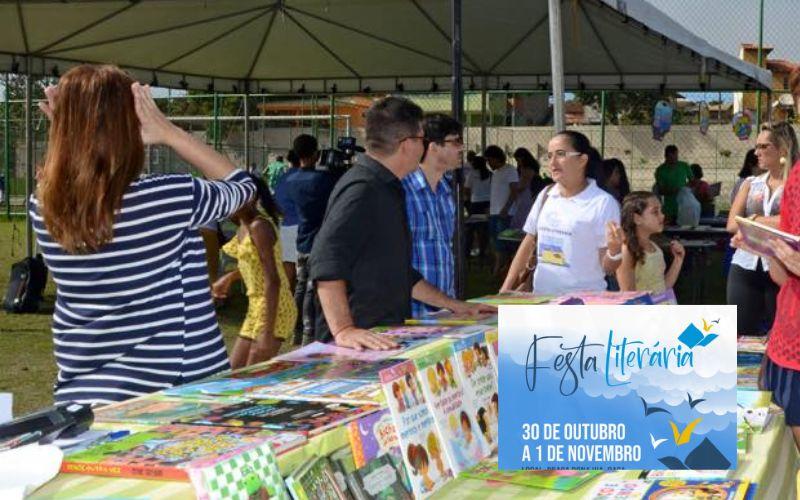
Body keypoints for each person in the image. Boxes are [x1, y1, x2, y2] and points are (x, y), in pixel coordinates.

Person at [32, 65, 256, 405]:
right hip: (179, 398)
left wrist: (69, 131)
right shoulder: (171, 196)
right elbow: (244, 187)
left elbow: (74, 178)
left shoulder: (42, 204)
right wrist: (169, 131)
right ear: (130, 125)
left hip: (87, 400)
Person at [308, 96, 492, 350]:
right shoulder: (363, 188)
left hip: (385, 336)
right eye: (421, 139)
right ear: (406, 144)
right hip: (359, 345)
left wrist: (455, 305)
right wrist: (343, 329)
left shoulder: (388, 187)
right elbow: (325, 260)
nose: (424, 146)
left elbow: (401, 273)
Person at [500, 131, 623, 295]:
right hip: (540, 299)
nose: (552, 162)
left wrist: (614, 252)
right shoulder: (546, 195)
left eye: (560, 154)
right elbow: (528, 242)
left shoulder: (603, 203)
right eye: (549, 155)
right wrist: (506, 288)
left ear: (582, 160)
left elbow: (607, 268)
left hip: (582, 304)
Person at [211, 175, 297, 369]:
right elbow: (251, 264)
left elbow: (273, 280)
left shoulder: (260, 227)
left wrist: (267, 333)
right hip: (256, 307)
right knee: (234, 373)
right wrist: (229, 278)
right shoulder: (243, 228)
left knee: (251, 377)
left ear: (250, 197)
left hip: (274, 307)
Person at [727, 122, 798, 336]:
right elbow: (732, 223)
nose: (756, 152)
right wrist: (769, 221)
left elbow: (794, 222)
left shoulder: (795, 183)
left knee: (785, 332)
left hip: (784, 268)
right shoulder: (750, 183)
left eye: (763, 146)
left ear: (782, 149)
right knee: (740, 333)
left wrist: (754, 220)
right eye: (757, 146)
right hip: (746, 265)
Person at [280, 134, 338, 346]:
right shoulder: (323, 180)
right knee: (312, 289)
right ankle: (307, 332)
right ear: (315, 154)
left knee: (301, 286)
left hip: (302, 237)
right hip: (320, 240)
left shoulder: (292, 179)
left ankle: (295, 329)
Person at [402, 113, 462, 317]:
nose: (461, 148)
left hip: (444, 308)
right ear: (433, 146)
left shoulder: (446, 192)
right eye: (455, 141)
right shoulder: (403, 190)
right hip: (410, 312)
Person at [615, 192, 685, 294]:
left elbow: (662, 287)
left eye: (661, 211)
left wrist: (678, 261)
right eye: (655, 212)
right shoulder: (627, 250)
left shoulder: (655, 247)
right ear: (637, 218)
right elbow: (629, 295)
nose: (662, 216)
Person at [484, 145, 519, 275]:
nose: (488, 163)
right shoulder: (496, 173)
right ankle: (500, 267)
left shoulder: (510, 170)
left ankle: (500, 269)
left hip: (504, 213)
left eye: (489, 160)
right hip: (494, 212)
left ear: (496, 158)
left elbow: (514, 191)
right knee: (494, 241)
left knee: (502, 242)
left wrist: (506, 208)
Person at [273, 154, 300, 293]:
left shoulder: (283, 179)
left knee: (288, 264)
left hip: (287, 225)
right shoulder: (307, 177)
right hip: (305, 226)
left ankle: (290, 297)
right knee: (303, 267)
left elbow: (277, 205)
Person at [509, 147, 551, 230]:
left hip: (527, 193)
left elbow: (524, 184)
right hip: (531, 192)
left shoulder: (526, 169)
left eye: (518, 160)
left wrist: (515, 190)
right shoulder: (531, 167)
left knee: (523, 213)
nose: (518, 162)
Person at [654, 145, 693, 224]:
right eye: (671, 157)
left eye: (676, 156)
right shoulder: (660, 170)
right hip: (669, 209)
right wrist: (675, 190)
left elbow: (692, 181)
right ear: (666, 156)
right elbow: (661, 190)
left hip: (685, 207)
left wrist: (686, 188)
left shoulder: (684, 166)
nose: (675, 159)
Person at [464, 155, 492, 258]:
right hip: (487, 203)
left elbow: (467, 189)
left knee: (471, 229)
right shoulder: (490, 174)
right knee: (483, 229)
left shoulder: (471, 174)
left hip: (475, 203)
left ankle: (467, 251)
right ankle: (483, 251)